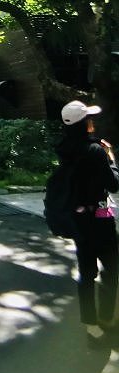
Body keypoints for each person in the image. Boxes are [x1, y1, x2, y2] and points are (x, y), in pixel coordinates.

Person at [56, 100, 119, 346]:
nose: (92, 122)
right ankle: (106, 318)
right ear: (85, 124)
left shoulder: (64, 148)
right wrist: (110, 157)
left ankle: (90, 326)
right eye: (89, 119)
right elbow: (114, 184)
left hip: (77, 217)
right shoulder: (94, 151)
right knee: (112, 270)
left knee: (86, 274)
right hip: (100, 217)